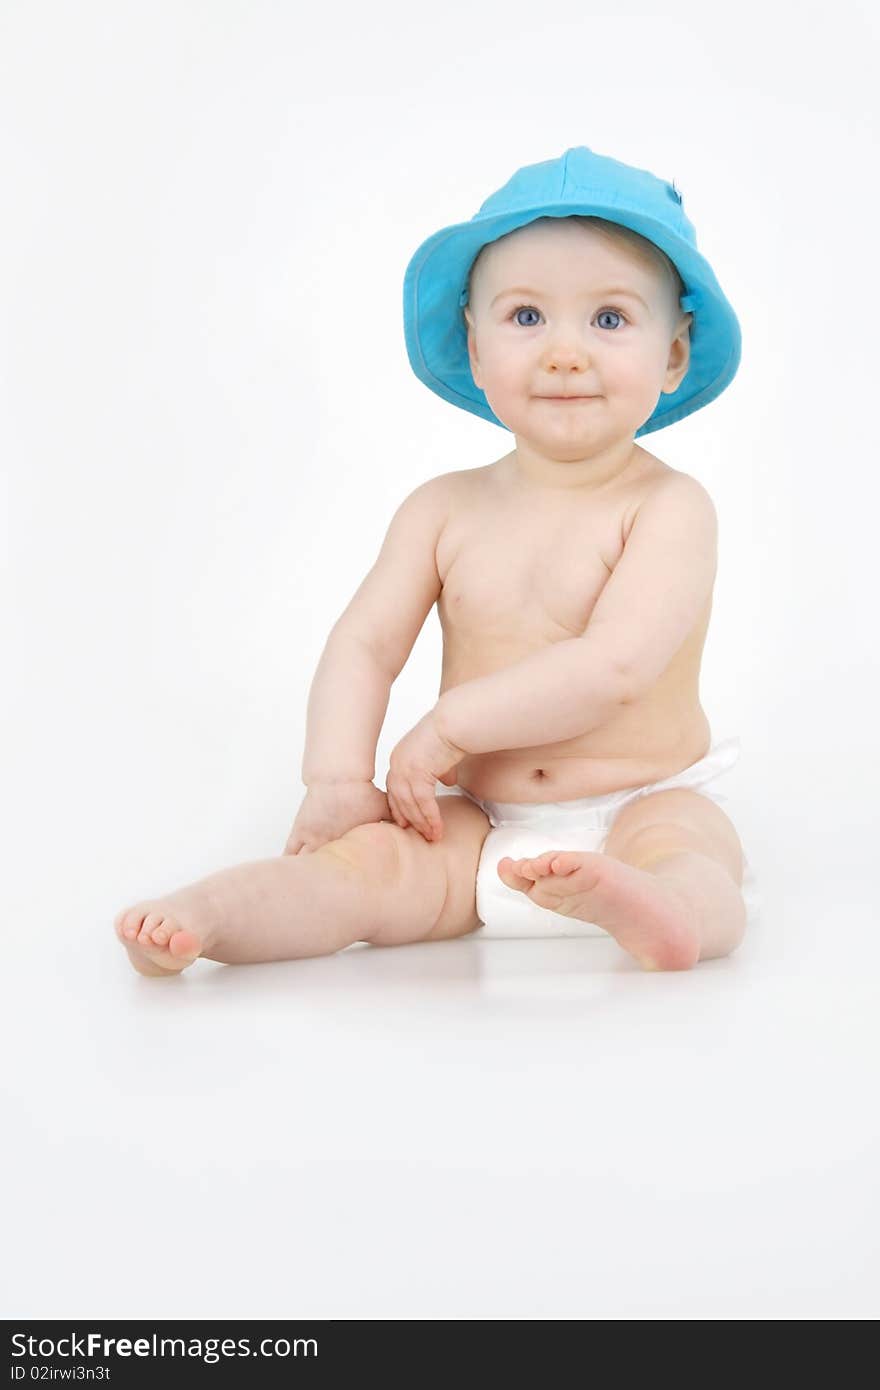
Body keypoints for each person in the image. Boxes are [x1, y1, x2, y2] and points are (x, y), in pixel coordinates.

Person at [114, 145, 760, 977]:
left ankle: (662, 909)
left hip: (642, 795)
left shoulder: (670, 507)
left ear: (673, 356)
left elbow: (616, 666)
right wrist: (339, 777)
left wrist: (451, 723)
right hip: (481, 815)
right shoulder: (442, 508)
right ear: (476, 347)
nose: (566, 352)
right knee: (367, 871)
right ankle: (210, 919)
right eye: (526, 317)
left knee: (693, 849)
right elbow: (365, 645)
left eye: (609, 319)